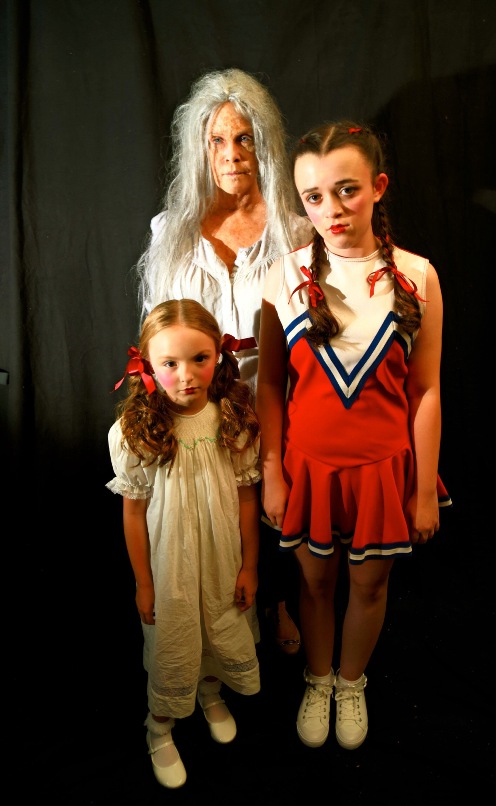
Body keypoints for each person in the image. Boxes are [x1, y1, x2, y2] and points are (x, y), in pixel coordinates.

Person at [256, 121, 452, 751]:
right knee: (314, 583)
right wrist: (272, 471)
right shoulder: (282, 275)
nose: (332, 209)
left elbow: (426, 390)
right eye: (313, 197)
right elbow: (269, 385)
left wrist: (424, 489)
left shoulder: (418, 275)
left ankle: (350, 681)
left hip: (383, 470)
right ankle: (317, 678)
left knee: (369, 585)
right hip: (308, 469)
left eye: (347, 190)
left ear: (378, 187)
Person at [136, 67, 314, 654]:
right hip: (198, 400)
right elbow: (158, 328)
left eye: (244, 138)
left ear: (264, 145)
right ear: (201, 149)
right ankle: (217, 629)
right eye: (217, 140)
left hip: (278, 401)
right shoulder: (172, 232)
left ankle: (278, 603)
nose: (232, 153)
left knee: (274, 514)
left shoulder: (295, 231)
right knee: (209, 522)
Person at [106, 299, 262, 788]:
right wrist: (143, 583)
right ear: (147, 366)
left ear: (219, 355)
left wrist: (250, 566)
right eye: (169, 363)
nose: (187, 375)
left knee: (220, 620)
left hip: (221, 556)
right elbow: (134, 513)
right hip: (170, 563)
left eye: (200, 359)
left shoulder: (232, 418)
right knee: (174, 639)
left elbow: (246, 499)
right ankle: (160, 725)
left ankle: (210, 691)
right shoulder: (137, 431)